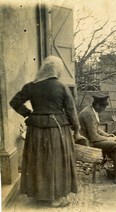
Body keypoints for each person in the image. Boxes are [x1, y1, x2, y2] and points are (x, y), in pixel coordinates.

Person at [9, 56, 80, 207]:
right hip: (57, 131)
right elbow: (71, 112)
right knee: (56, 162)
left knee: (39, 160)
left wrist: (29, 113)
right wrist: (76, 129)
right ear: (57, 70)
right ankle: (56, 198)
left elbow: (14, 102)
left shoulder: (31, 86)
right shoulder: (62, 87)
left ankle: (41, 194)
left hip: (36, 131)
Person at [78, 94, 116, 187]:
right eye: (103, 107)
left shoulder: (92, 111)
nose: (104, 110)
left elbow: (96, 129)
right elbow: (94, 137)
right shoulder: (88, 114)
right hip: (87, 142)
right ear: (98, 105)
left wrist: (107, 135)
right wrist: (109, 139)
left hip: (91, 139)